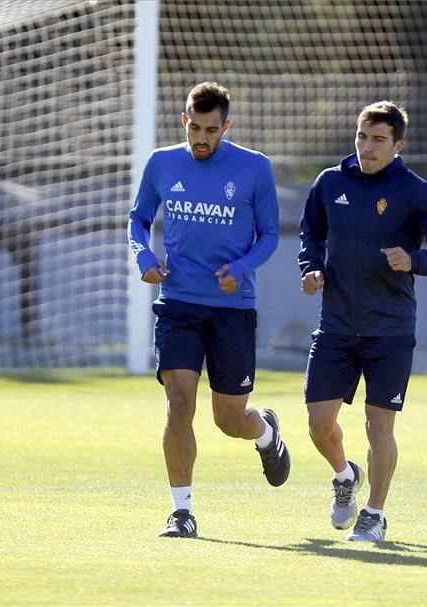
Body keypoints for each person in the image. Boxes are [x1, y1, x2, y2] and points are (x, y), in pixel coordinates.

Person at [298, 101, 427, 541]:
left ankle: (375, 513)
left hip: (389, 330)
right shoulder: (330, 182)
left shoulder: (415, 191)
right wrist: (310, 267)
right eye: (362, 137)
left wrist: (413, 261)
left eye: (378, 140)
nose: (367, 147)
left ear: (397, 144)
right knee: (318, 423)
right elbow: (311, 232)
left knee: (379, 425)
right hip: (335, 326)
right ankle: (344, 476)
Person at [127, 82, 290, 538]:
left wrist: (242, 266)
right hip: (178, 302)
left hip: (232, 309)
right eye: (194, 127)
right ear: (184, 121)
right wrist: (143, 257)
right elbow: (138, 219)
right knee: (179, 404)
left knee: (228, 419)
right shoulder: (162, 163)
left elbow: (271, 235)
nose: (202, 138)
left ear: (226, 127)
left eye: (211, 130)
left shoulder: (255, 168)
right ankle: (182, 512)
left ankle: (266, 434)